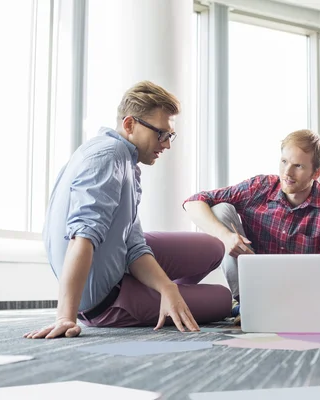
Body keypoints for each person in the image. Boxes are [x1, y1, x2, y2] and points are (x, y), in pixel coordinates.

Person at [24, 81, 231, 339]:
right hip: (107, 300)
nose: (167, 144)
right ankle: (154, 302)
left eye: (170, 135)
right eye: (161, 134)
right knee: (223, 300)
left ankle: (168, 299)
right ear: (130, 124)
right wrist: (66, 316)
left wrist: (168, 289)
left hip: (118, 263)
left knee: (213, 247)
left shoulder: (123, 157)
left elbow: (133, 244)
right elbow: (83, 236)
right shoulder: (108, 157)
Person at [183, 129, 320, 305]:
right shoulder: (260, 187)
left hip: (301, 294)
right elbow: (193, 202)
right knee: (220, 210)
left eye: (298, 166)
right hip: (253, 286)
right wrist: (226, 237)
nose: (287, 173)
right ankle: (243, 303)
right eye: (284, 161)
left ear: (316, 173)